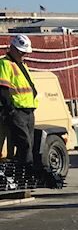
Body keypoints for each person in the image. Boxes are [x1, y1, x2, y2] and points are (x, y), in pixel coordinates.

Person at [0, 34, 37, 172]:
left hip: (29, 111)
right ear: (13, 48)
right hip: (17, 111)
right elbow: (3, 90)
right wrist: (11, 111)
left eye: (25, 53)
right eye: (21, 52)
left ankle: (23, 175)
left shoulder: (22, 65)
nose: (24, 55)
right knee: (24, 144)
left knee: (28, 145)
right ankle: (26, 176)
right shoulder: (5, 64)